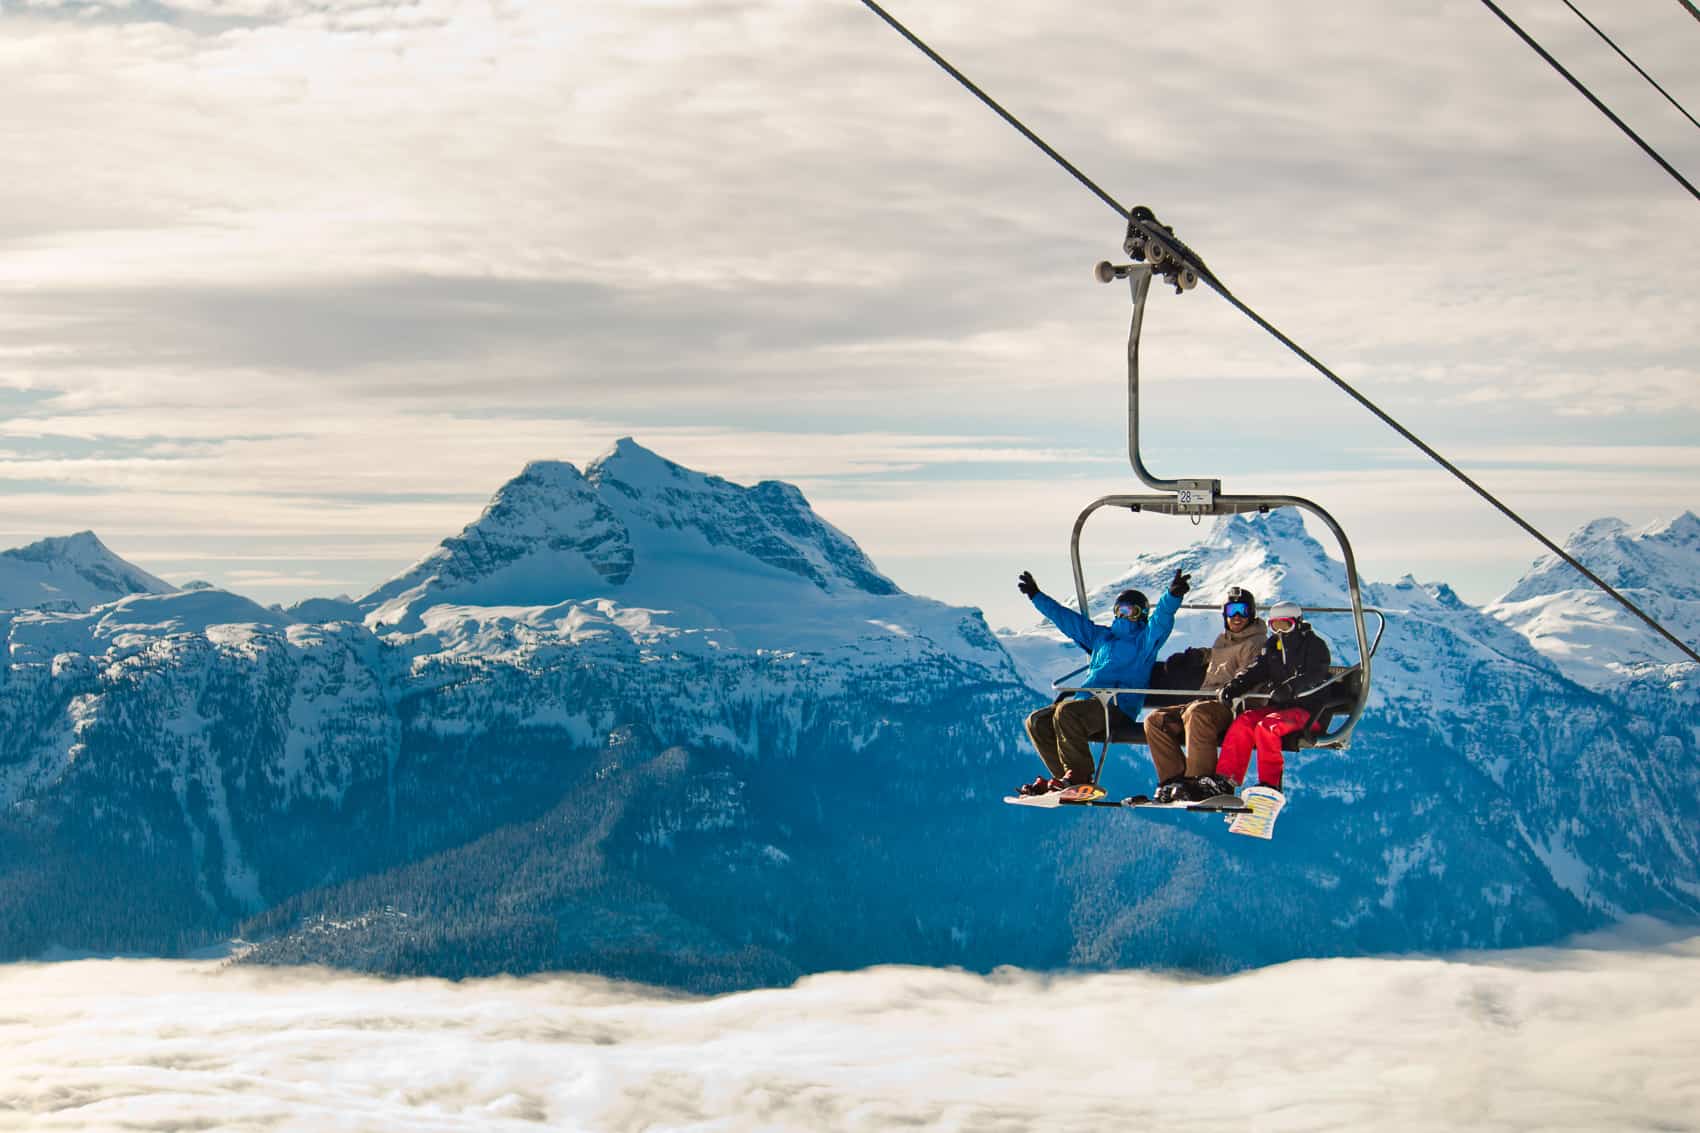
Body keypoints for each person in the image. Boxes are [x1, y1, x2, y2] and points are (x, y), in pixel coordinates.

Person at [1014, 568, 1189, 795]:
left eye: (1130, 610)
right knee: (1036, 721)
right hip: (1086, 706)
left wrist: (1172, 596)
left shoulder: (1144, 642)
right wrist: (1036, 596)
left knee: (1066, 712)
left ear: (1141, 614)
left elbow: (1161, 622)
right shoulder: (1100, 637)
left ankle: (1079, 775)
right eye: (1120, 610)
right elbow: (1068, 621)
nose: (1123, 615)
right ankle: (1063, 779)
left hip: (1116, 708)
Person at [1142, 587, 1267, 802]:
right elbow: (1220, 657)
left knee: (1197, 713)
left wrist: (1231, 689)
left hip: (1230, 706)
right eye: (1231, 610)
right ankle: (1173, 781)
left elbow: (1252, 674)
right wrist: (1196, 656)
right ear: (1224, 614)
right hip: (1205, 701)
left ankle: (1199, 781)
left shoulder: (1256, 643)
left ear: (1252, 613)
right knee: (1155, 720)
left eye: (1242, 611)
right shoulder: (1224, 639)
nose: (1236, 617)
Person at [1214, 601, 1332, 793]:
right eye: (1275, 626)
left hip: (1310, 711)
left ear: (1297, 622)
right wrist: (1234, 687)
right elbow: (1257, 671)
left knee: (1267, 727)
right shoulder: (1273, 646)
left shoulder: (1314, 645)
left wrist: (1290, 688)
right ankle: (1227, 780)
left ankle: (1270, 784)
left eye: (1286, 625)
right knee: (1244, 722)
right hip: (1282, 708)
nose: (1281, 631)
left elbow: (1316, 675)